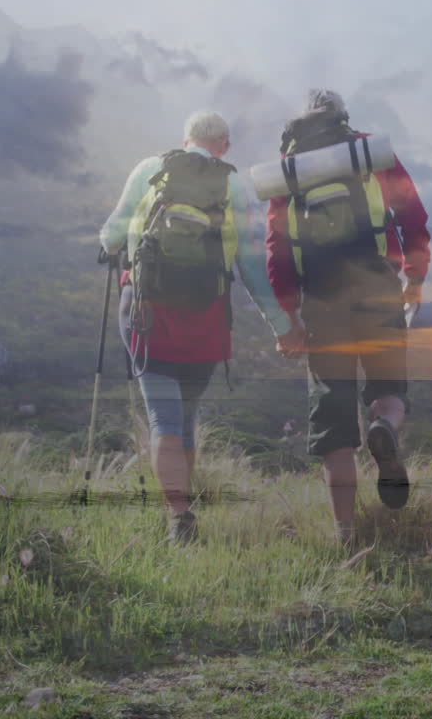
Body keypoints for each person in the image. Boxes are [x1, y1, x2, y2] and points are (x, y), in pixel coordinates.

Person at [100, 110, 296, 544]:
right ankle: (182, 509)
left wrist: (115, 243)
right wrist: (282, 326)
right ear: (223, 144)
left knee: (162, 419)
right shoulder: (237, 185)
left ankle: (179, 516)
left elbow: (111, 235)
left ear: (185, 139)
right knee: (186, 418)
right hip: (205, 319)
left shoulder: (150, 170)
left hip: (147, 314)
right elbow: (251, 266)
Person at [265, 89, 431, 545]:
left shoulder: (290, 171)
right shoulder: (370, 153)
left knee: (333, 418)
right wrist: (414, 277)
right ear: (343, 117)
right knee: (389, 389)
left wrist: (290, 316)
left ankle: (345, 535)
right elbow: (411, 213)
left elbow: (277, 249)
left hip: (321, 301)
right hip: (378, 288)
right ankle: (384, 427)